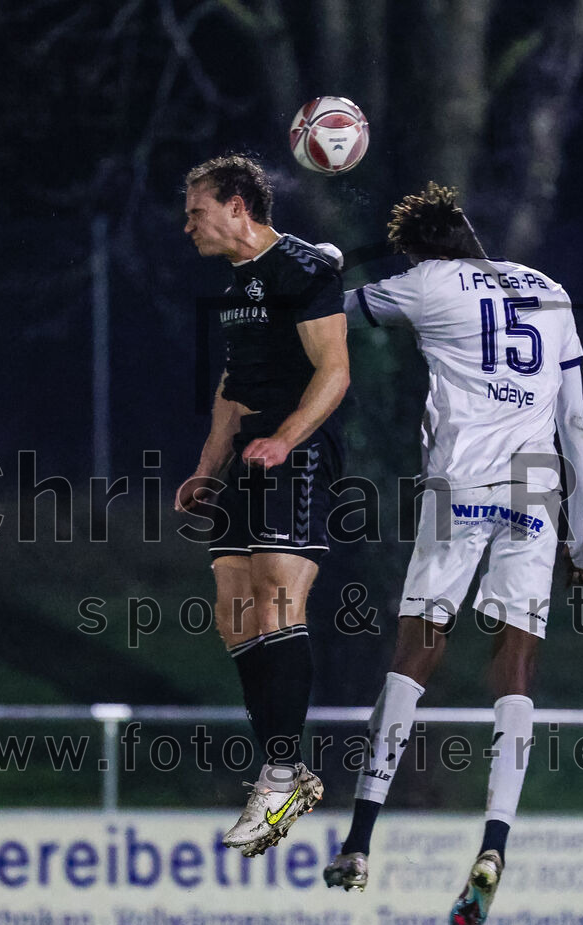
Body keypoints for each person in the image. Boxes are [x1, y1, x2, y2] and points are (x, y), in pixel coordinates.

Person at [323, 182, 583, 925]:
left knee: (418, 649)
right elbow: (574, 420)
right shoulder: (550, 289)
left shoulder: (423, 283)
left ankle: (358, 840)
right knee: (515, 666)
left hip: (462, 482)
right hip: (539, 485)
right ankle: (495, 841)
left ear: (418, 248)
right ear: (472, 231)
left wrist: (316, 265)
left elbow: (329, 310)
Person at [175, 155, 349, 857]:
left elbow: (335, 371)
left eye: (196, 211)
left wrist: (283, 439)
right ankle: (284, 769)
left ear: (239, 206)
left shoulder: (303, 270)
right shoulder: (240, 283)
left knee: (279, 594)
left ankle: (279, 775)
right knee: (232, 610)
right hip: (249, 451)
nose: (187, 224)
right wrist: (206, 466)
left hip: (297, 449)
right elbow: (232, 384)